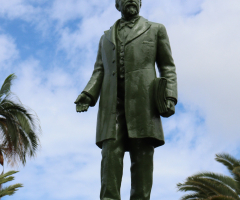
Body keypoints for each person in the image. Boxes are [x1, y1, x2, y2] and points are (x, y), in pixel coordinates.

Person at [75, 0, 178, 199]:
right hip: (112, 106)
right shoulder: (105, 37)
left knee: (143, 158)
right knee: (110, 157)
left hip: (144, 104)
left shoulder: (156, 29)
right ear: (117, 4)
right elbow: (99, 71)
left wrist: (170, 96)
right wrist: (87, 95)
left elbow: (168, 66)